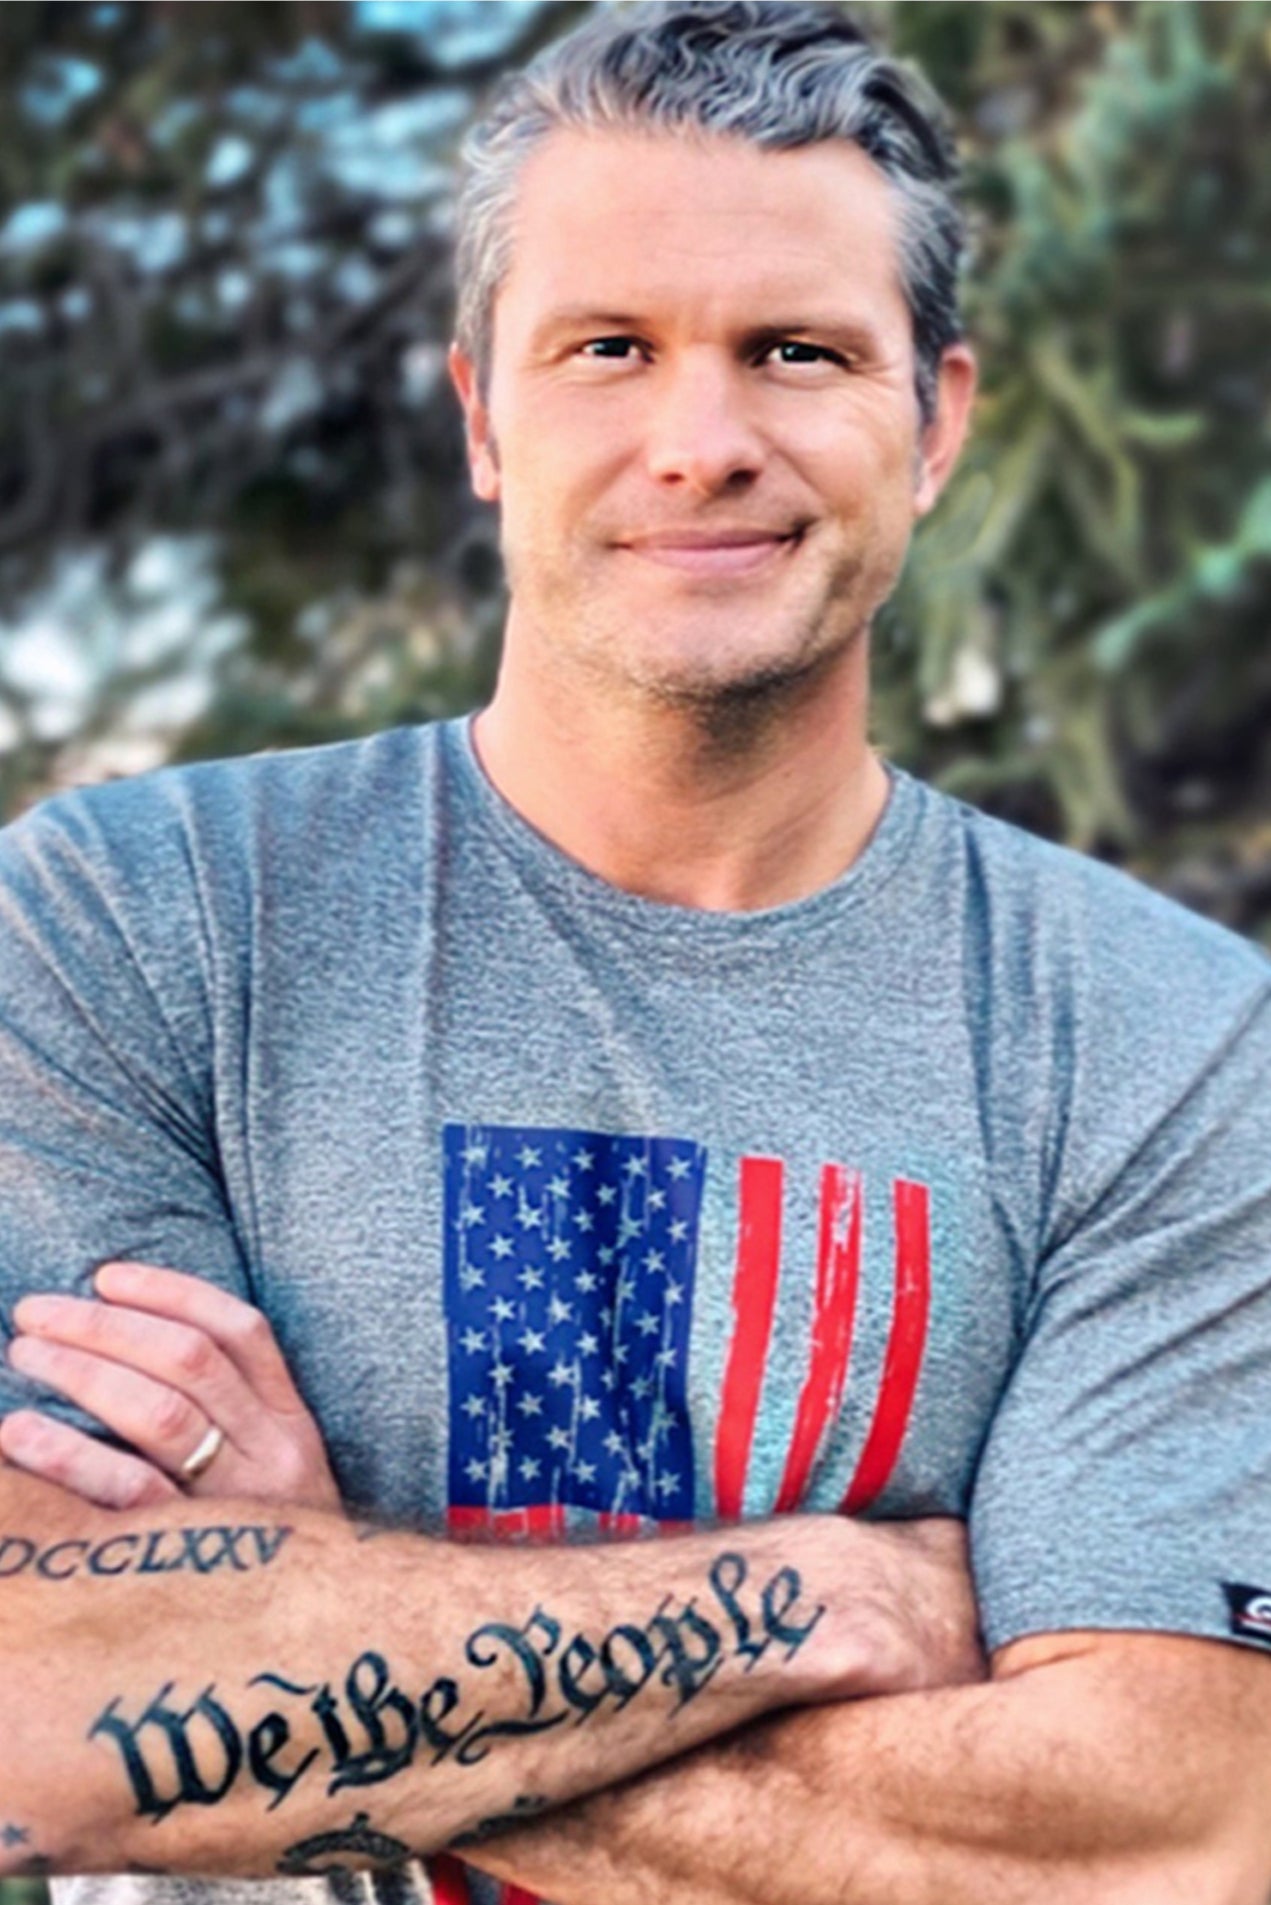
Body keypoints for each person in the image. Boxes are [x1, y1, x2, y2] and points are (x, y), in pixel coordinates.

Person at [2, 4, 1271, 1904]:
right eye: (609, 349)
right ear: (483, 415)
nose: (703, 443)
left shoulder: (1175, 1042)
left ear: (932, 421)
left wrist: (315, 1604)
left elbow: (1171, 1836)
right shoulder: (138, 917)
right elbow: (35, 1724)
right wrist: (823, 1596)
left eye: (798, 352)